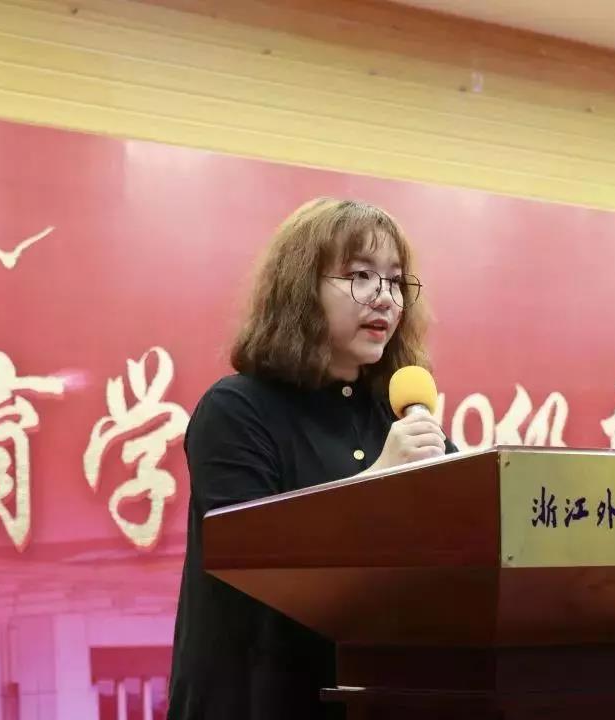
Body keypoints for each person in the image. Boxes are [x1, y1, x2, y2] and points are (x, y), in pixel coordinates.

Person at [166, 198, 456, 720]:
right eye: (361, 275)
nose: (385, 298)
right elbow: (251, 557)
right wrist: (378, 483)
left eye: (395, 281)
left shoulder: (396, 413)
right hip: (255, 699)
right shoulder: (236, 409)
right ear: (301, 288)